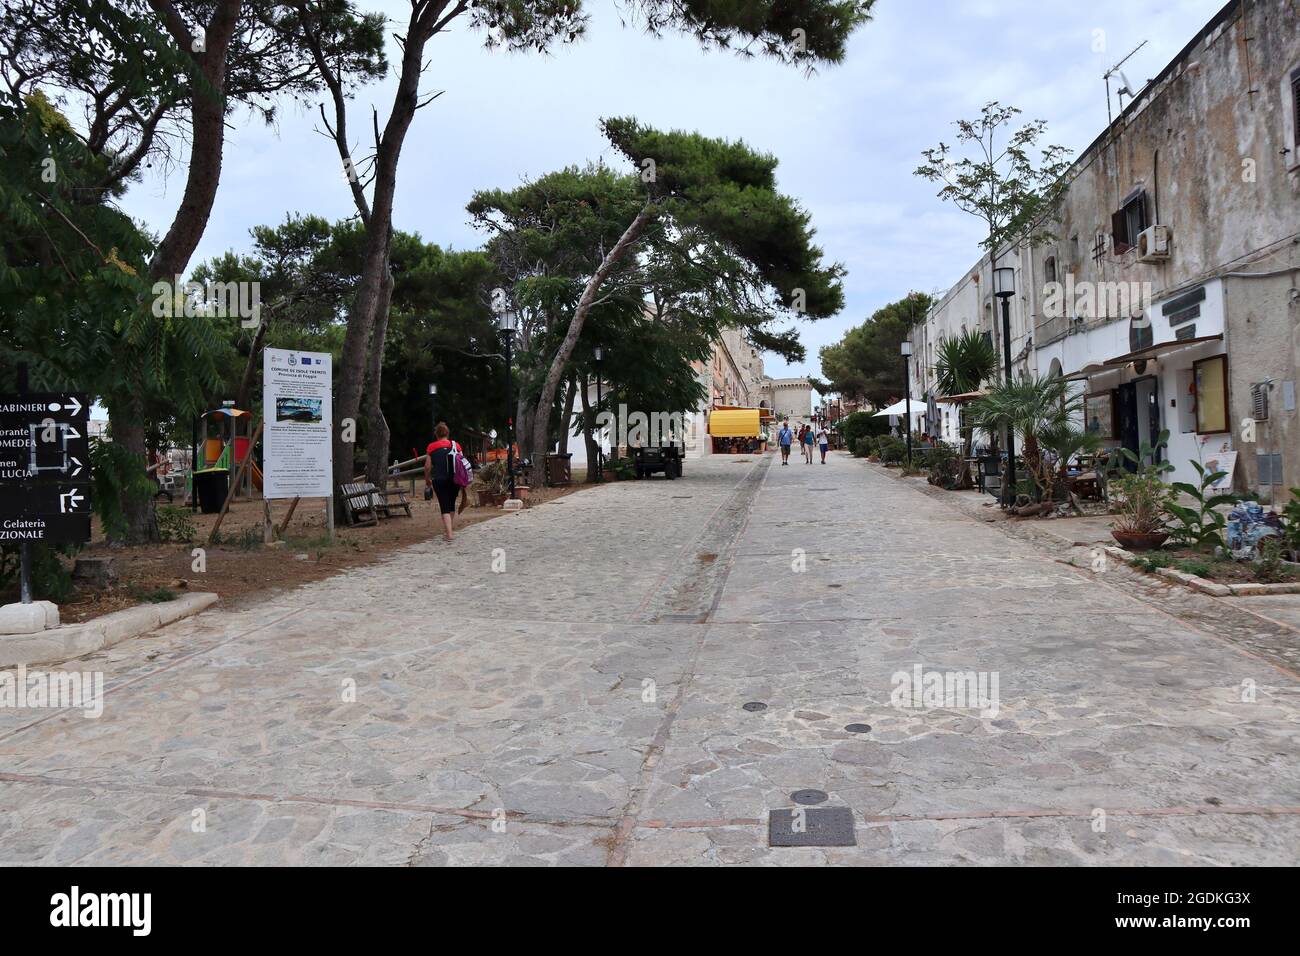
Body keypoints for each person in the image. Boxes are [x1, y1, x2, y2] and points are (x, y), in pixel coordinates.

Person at [424, 422, 465, 541]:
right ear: (447, 433)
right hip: (454, 480)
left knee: (444, 506)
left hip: (439, 480)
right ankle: (449, 530)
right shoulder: (456, 445)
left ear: (436, 434)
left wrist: (427, 480)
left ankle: (449, 534)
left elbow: (427, 467)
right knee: (451, 505)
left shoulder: (431, 447)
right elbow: (462, 462)